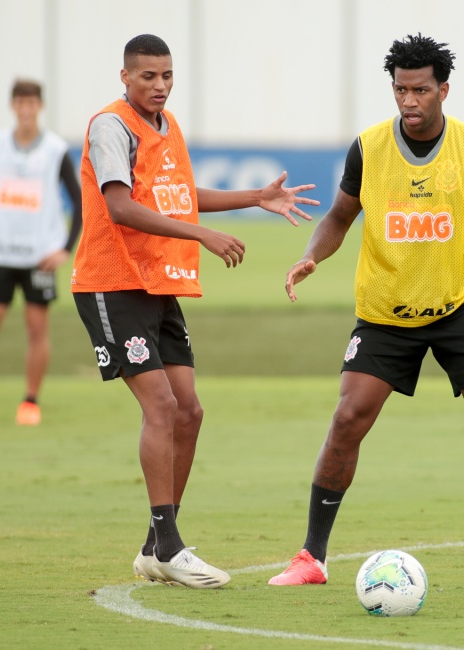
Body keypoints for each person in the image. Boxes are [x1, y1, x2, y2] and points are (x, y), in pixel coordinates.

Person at [268, 34, 464, 588]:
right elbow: (339, 215)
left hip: (461, 305)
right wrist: (312, 256)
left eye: (421, 89)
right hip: (386, 311)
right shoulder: (369, 147)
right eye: (401, 89)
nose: (409, 100)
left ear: (443, 90)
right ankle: (311, 558)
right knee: (347, 418)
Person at [72, 34, 318, 589]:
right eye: (147, 77)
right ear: (125, 77)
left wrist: (255, 197)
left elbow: (179, 194)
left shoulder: (168, 126)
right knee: (160, 406)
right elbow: (119, 205)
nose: (159, 86)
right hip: (111, 284)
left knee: (190, 411)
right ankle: (169, 544)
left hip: (158, 285)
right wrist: (201, 234)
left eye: (166, 76)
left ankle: (157, 545)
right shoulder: (111, 126)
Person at [0, 79, 82, 427]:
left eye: (32, 102)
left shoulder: (54, 149)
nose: (26, 108)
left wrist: (64, 249)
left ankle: (30, 403)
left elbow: (80, 201)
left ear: (40, 106)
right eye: (20, 102)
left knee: (37, 328)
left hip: (39, 256)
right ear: (13, 105)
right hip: (2, 254)